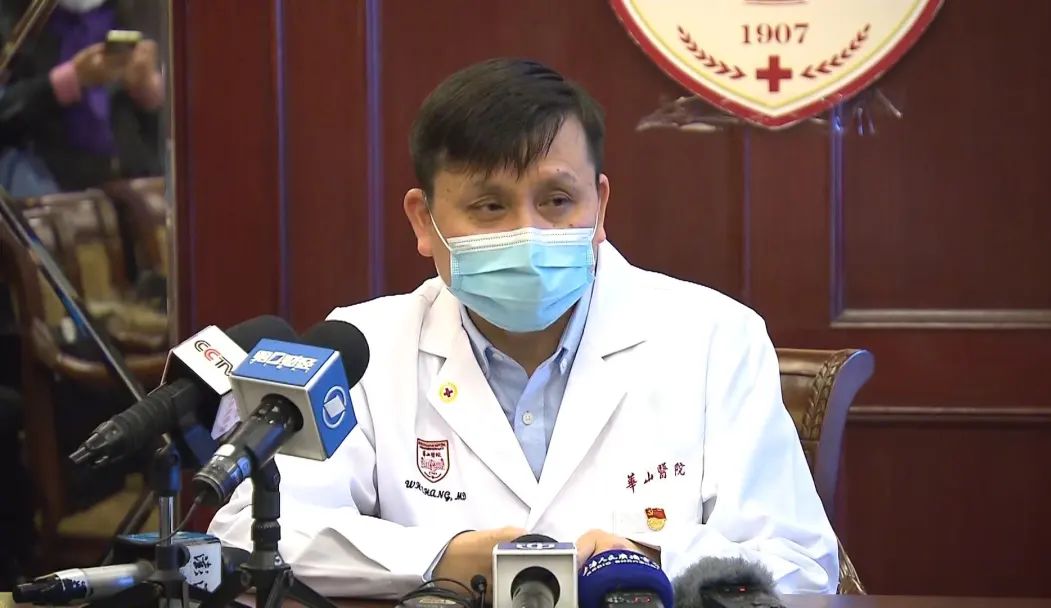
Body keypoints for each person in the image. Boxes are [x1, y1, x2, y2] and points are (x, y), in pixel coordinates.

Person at [208, 58, 839, 597]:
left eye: (557, 201)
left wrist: (645, 565)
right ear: (424, 221)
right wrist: (446, 557)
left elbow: (801, 567)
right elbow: (247, 531)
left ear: (600, 207)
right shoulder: (362, 347)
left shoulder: (715, 336)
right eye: (489, 206)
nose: (528, 233)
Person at [0, 0, 163, 196]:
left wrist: (147, 93)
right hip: (41, 187)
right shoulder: (18, 22)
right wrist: (72, 79)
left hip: (122, 186)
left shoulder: (126, 13)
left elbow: (160, 143)